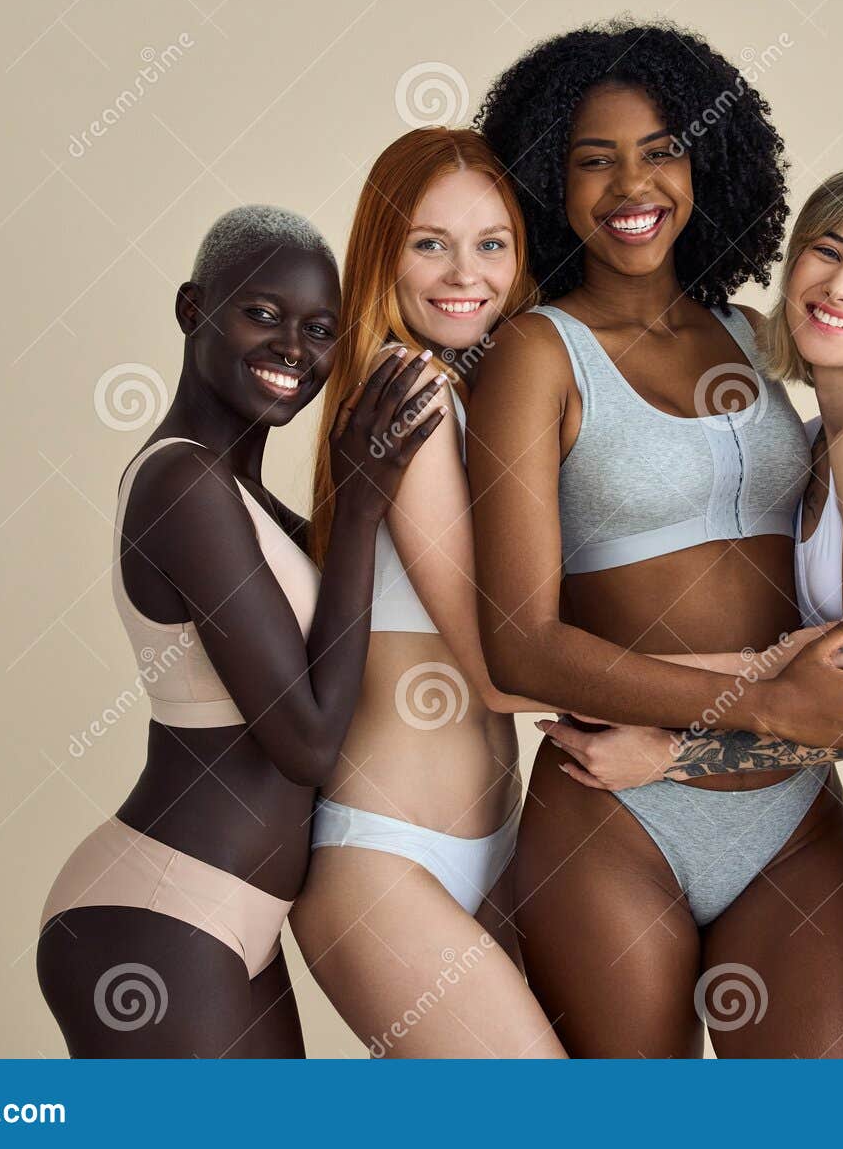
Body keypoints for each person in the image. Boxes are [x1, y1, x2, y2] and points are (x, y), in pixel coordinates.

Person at [469, 23, 843, 1058]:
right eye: (593, 159)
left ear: (706, 162)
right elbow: (519, 644)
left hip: (787, 805)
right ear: (548, 179)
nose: (630, 183)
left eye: (661, 149)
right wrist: (767, 695)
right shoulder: (535, 356)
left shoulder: (750, 335)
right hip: (617, 814)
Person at [37, 205, 444, 1057]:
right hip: (158, 916)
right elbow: (306, 742)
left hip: (227, 919)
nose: (294, 349)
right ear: (194, 311)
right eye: (263, 314)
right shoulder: (183, 486)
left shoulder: (243, 497)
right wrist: (361, 496)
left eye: (320, 330)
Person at [288, 129, 564, 1058]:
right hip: (387, 859)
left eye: (492, 243)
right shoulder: (409, 392)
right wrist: (744, 691)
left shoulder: (479, 393)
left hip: (490, 849)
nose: (465, 272)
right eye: (428, 242)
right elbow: (496, 670)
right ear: (382, 254)